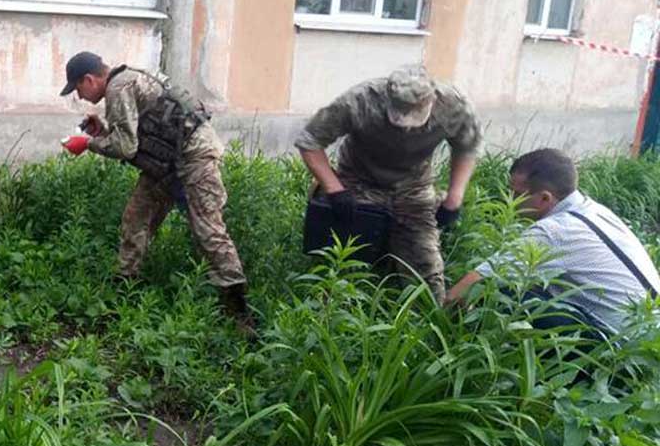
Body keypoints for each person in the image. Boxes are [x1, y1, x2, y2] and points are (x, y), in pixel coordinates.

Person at [57, 51, 252, 330]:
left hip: (194, 158)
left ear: (89, 79)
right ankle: (124, 294)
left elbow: (126, 148)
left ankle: (240, 315)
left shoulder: (118, 87)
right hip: (166, 162)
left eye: (78, 90)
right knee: (135, 220)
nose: (81, 97)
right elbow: (136, 134)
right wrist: (102, 132)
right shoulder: (127, 79)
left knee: (209, 231)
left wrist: (87, 144)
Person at [295, 65, 483, 301]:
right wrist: (334, 189)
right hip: (358, 179)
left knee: (425, 267)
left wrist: (454, 198)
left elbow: (467, 147)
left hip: (413, 187)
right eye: (399, 117)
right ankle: (330, 310)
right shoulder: (360, 100)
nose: (404, 126)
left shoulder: (453, 106)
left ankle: (427, 323)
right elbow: (310, 140)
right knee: (340, 260)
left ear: (431, 101)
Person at [445, 148, 660, 336]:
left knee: (502, 295)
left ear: (544, 199)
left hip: (625, 355)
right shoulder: (595, 210)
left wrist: (434, 323)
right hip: (650, 337)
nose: (508, 200)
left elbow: (464, 290)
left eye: (516, 194)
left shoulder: (555, 231)